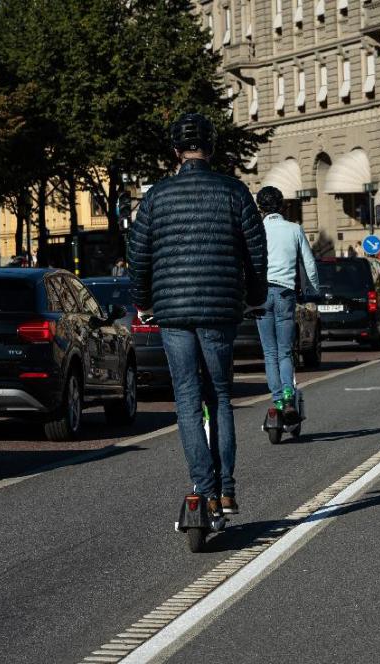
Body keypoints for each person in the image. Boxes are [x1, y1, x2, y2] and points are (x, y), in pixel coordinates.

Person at [129, 112, 267, 517]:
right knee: (220, 397)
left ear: (175, 151)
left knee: (187, 401)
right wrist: (254, 296)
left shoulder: (156, 196)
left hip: (172, 311)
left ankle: (202, 488)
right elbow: (255, 252)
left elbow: (139, 255)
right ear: (213, 148)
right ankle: (226, 489)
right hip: (221, 307)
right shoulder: (234, 191)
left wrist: (144, 302)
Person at [254, 185, 320, 424]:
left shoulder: (256, 230)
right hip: (285, 293)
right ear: (282, 206)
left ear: (260, 208)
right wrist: (313, 290)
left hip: (261, 294)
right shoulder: (295, 229)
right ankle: (290, 393)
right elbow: (309, 264)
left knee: (269, 352)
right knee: (284, 351)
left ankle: (278, 399)